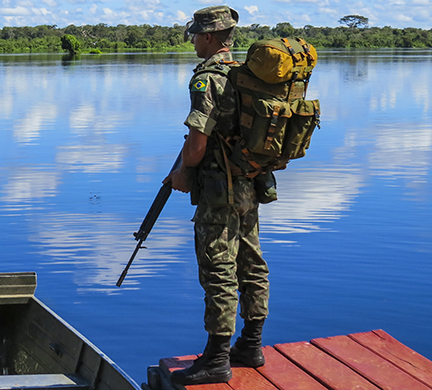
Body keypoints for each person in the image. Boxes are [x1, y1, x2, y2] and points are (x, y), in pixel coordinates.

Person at [163, 5, 270, 385]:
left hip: (218, 189)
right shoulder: (244, 74)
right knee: (251, 260)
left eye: (195, 34)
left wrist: (182, 173)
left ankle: (217, 358)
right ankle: (251, 344)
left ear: (209, 36)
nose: (193, 40)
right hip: (250, 182)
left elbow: (196, 144)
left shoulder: (207, 79)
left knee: (218, 267)